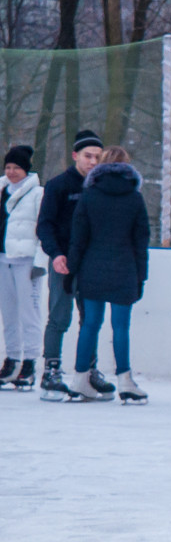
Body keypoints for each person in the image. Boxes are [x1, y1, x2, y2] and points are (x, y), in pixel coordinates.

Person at [65, 145, 149, 404]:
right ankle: (125, 380)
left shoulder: (89, 195)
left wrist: (72, 271)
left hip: (92, 267)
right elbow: (141, 241)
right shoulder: (134, 198)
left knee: (90, 323)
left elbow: (78, 238)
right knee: (121, 325)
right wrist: (141, 275)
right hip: (124, 268)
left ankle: (80, 379)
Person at [36, 129, 106, 400]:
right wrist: (55, 254)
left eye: (97, 157)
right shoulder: (58, 185)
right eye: (88, 156)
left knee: (90, 319)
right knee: (59, 317)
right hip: (63, 262)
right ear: (75, 155)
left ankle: (89, 370)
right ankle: (51, 370)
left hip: (91, 264)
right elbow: (45, 225)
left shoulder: (100, 187)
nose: (92, 162)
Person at [0, 144, 45, 389]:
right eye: (8, 166)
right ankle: (12, 359)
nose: (12, 171)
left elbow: (43, 227)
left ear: (26, 170)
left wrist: (39, 262)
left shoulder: (37, 193)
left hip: (25, 260)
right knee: (8, 314)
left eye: (17, 167)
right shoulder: (1, 189)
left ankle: (29, 362)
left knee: (29, 313)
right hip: (3, 258)